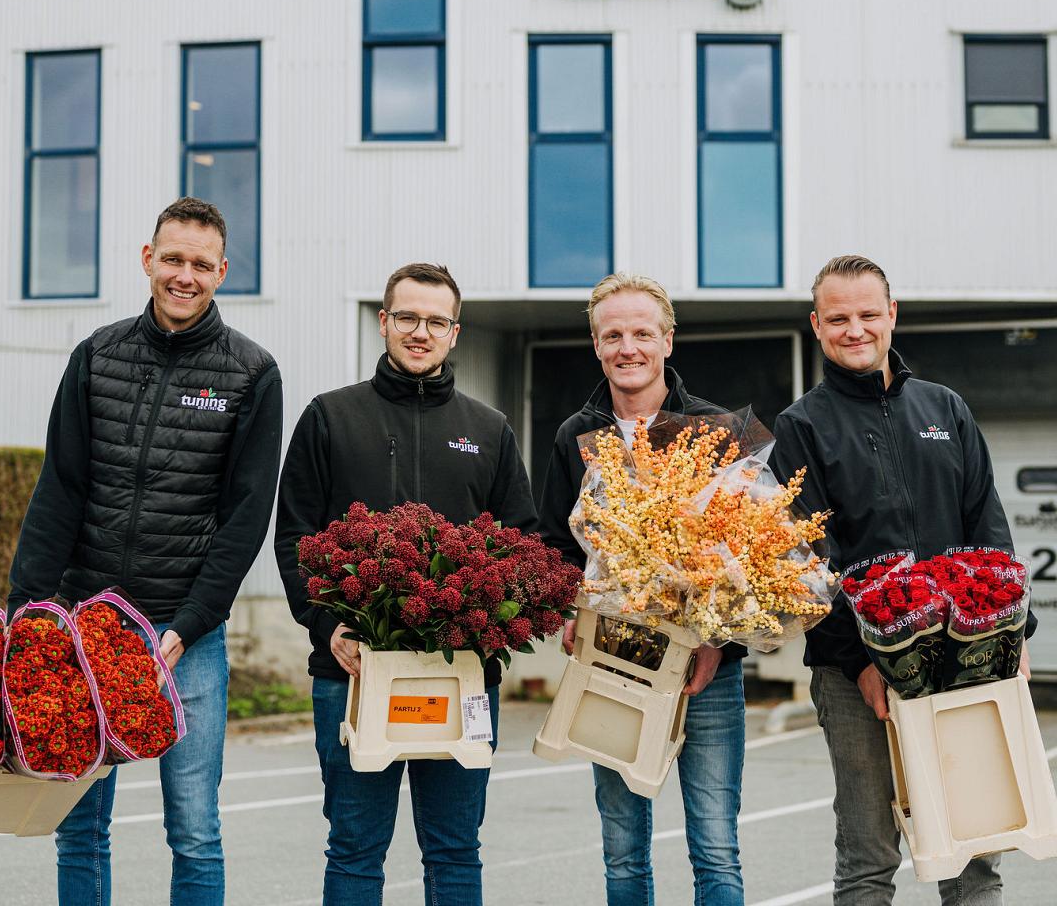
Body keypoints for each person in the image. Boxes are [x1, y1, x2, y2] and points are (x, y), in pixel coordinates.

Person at [8, 197, 283, 906]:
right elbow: (60, 490)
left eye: (200, 264)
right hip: (83, 633)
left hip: (183, 641)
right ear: (147, 259)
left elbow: (245, 517)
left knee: (193, 829)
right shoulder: (96, 355)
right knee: (79, 822)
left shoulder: (252, 373)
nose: (183, 275)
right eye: (172, 259)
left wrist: (188, 625)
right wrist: (25, 615)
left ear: (222, 271)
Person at [771, 254, 1033, 906]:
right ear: (816, 325)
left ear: (891, 315)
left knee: (974, 853)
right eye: (838, 318)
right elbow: (809, 566)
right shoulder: (799, 428)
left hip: (967, 661)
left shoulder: (944, 407)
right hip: (854, 674)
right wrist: (863, 662)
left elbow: (988, 532)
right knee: (869, 855)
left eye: (867, 314)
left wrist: (1013, 635)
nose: (854, 329)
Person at [274, 261, 537, 906]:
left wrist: (490, 627)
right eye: (408, 318)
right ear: (386, 322)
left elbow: (523, 545)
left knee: (454, 850)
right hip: (353, 672)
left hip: (463, 676)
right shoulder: (330, 418)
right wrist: (327, 625)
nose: (421, 333)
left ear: (455, 332)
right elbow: (295, 538)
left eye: (436, 321)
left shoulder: (489, 429)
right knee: (356, 850)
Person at [537, 272, 746, 906]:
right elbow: (554, 543)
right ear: (596, 346)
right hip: (615, 664)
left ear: (668, 341)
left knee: (715, 851)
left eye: (642, 333)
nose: (628, 347)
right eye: (613, 335)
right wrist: (570, 608)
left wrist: (714, 641)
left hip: (708, 670)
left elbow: (752, 548)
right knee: (624, 853)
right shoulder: (575, 433)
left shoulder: (716, 429)